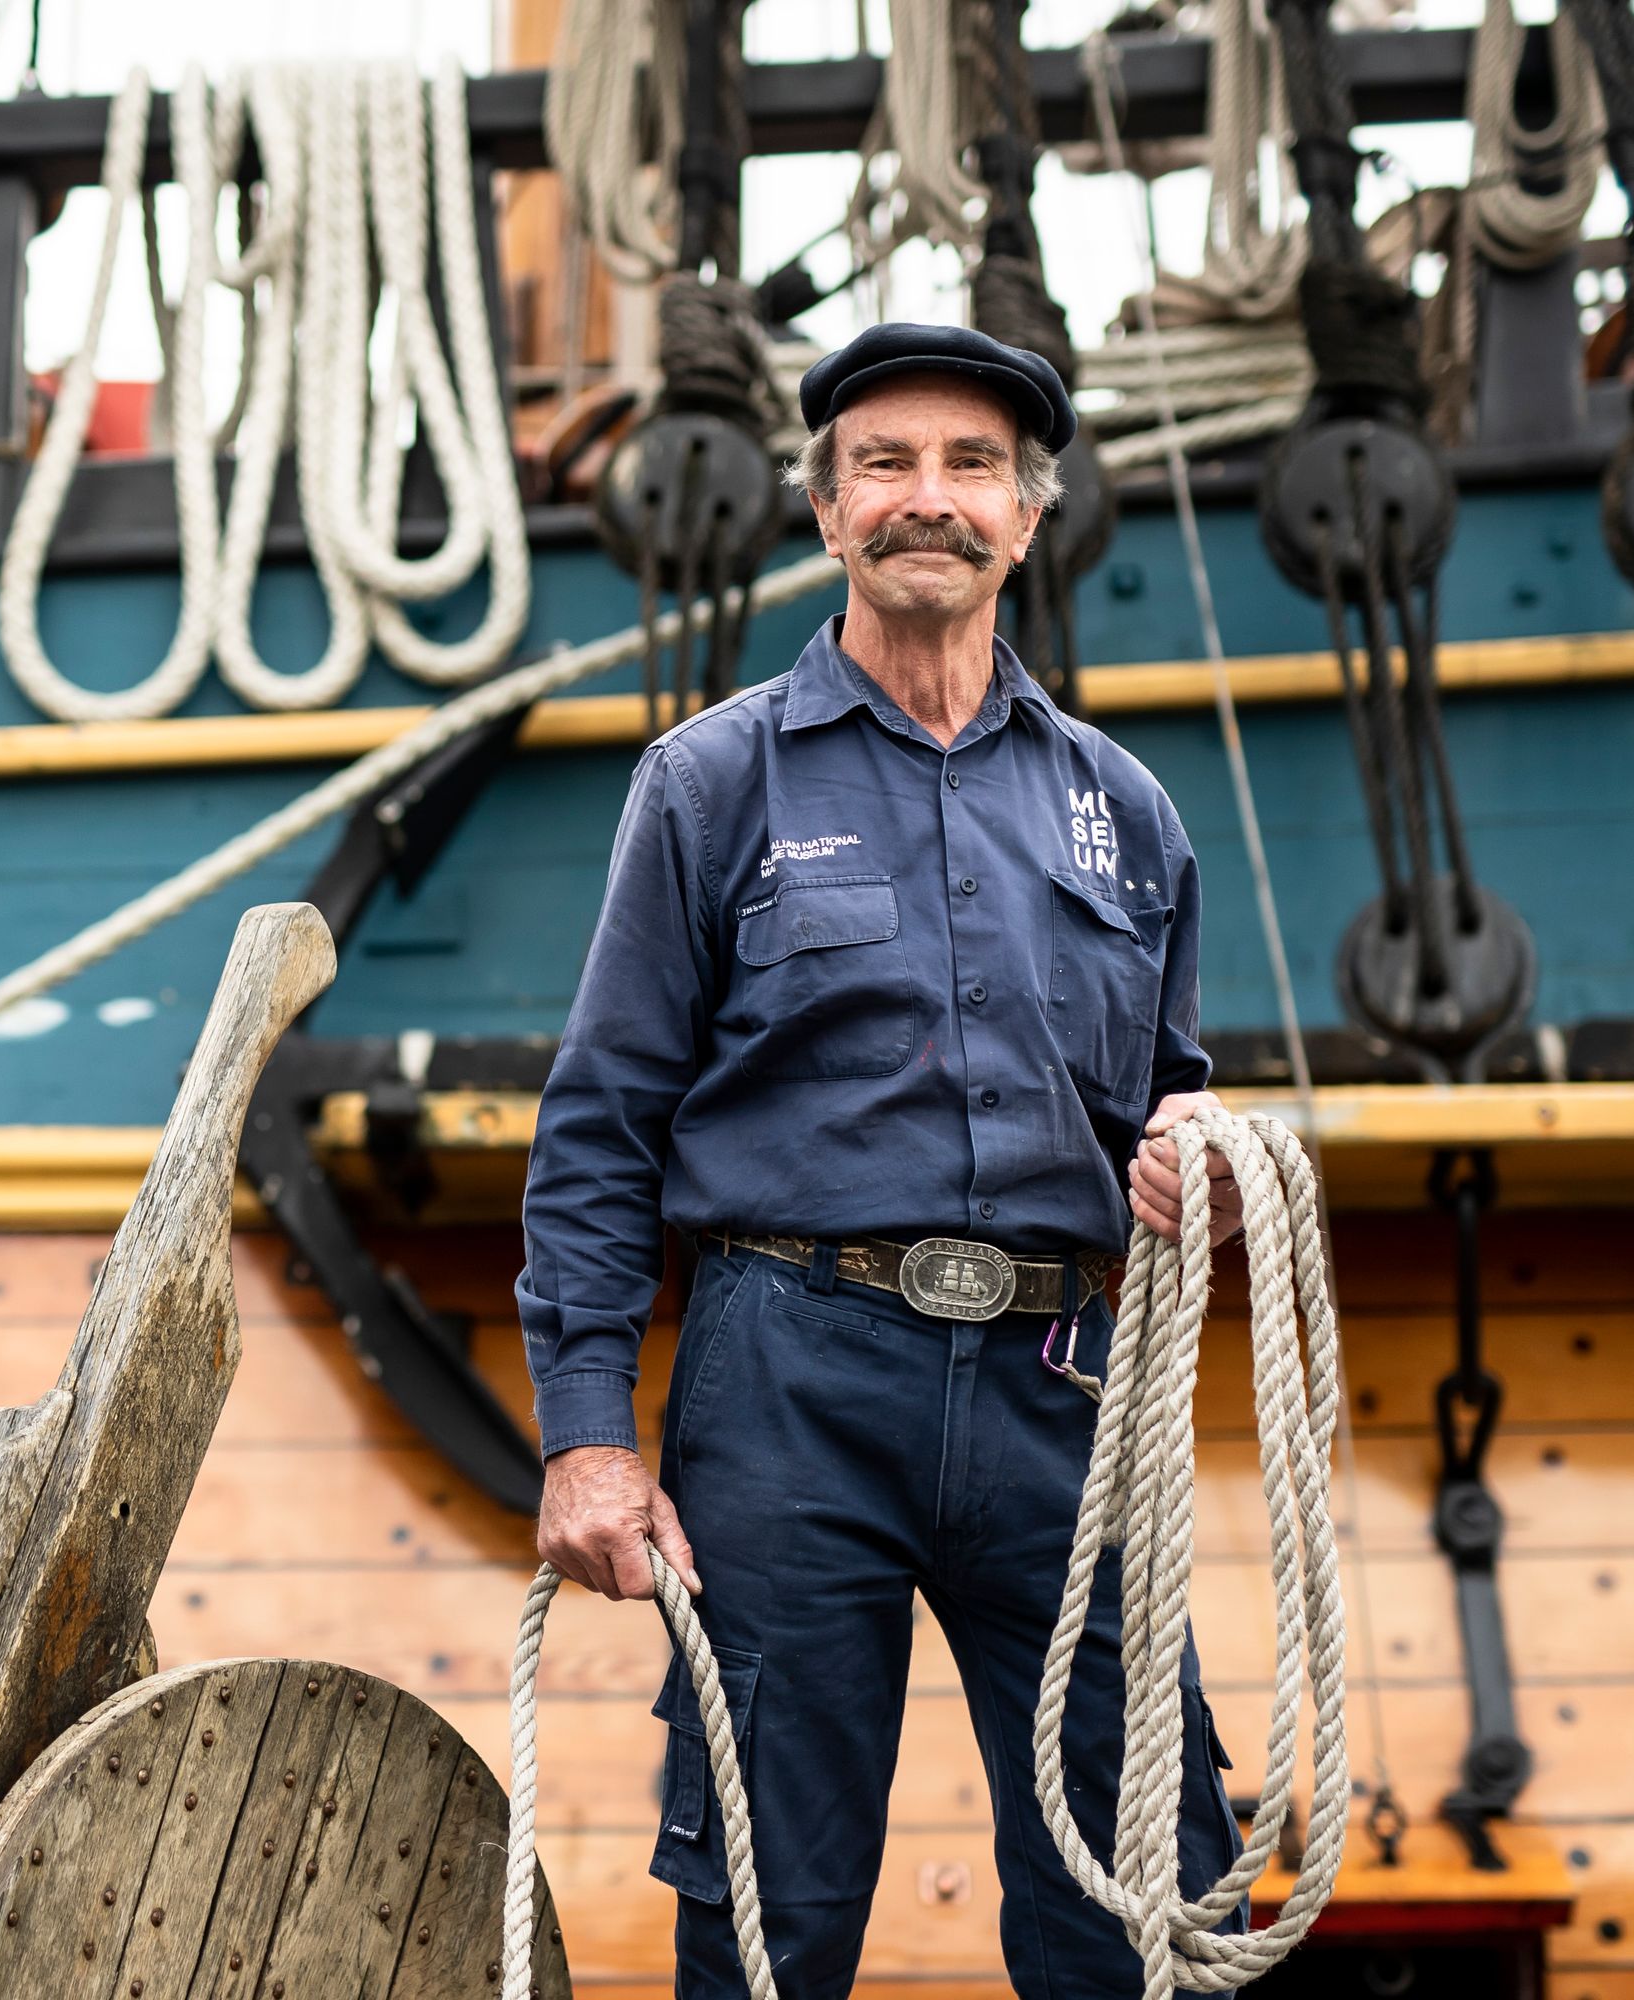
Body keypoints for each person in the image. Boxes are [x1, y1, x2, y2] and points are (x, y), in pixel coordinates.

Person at [516, 321, 1247, 2000]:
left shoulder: (1127, 812)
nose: (931, 499)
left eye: (971, 466)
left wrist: (1192, 1163)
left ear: (1029, 516)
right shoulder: (709, 783)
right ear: (831, 512)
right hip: (792, 1383)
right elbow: (602, 1121)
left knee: (1137, 1891)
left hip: (1061, 1388)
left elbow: (1169, 1104)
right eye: (888, 466)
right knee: (775, 1903)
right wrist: (584, 1443)